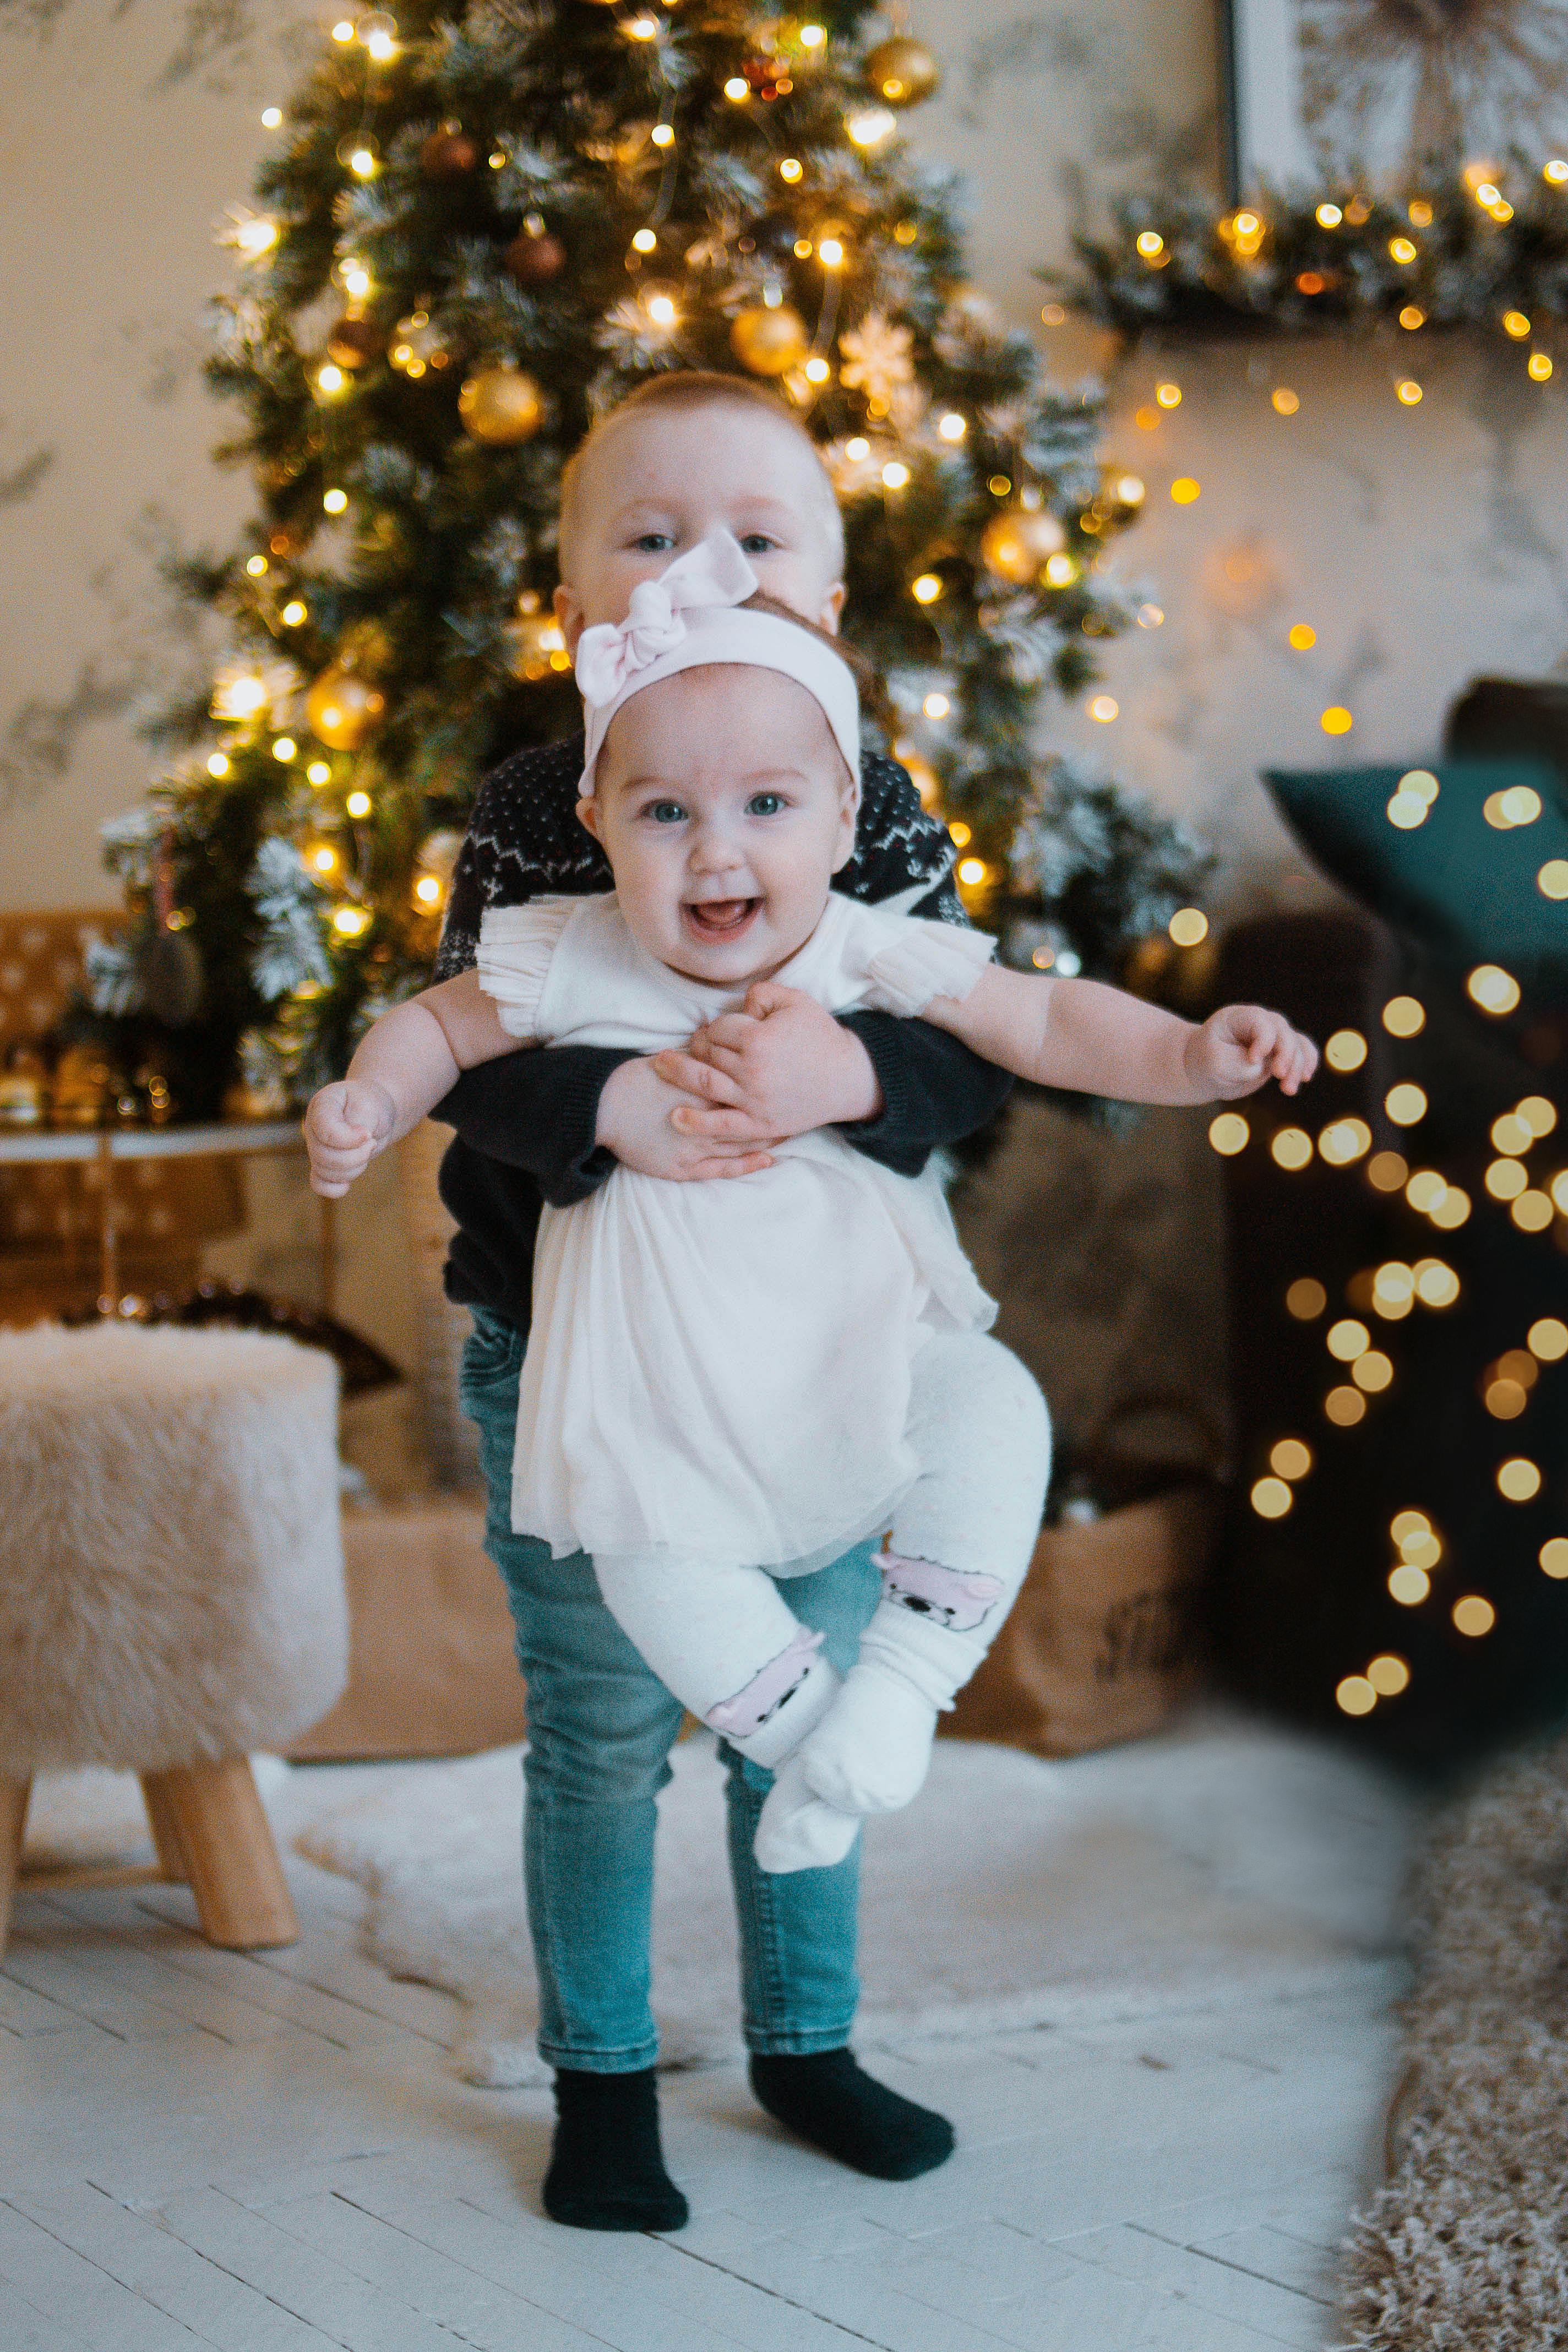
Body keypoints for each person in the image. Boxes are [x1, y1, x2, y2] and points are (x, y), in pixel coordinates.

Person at [307, 526, 1317, 2231]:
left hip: (843, 1375)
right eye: (668, 813)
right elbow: (442, 1025)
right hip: (643, 1399)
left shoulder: (860, 948)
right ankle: (606, 2081)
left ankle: (871, 1790)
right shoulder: (567, 949)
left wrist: (1197, 1060)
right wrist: (366, 1098)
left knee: (987, 1412)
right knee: (635, 1639)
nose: (719, 851)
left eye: (769, 806)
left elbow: (1052, 1026)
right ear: (602, 827)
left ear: (844, 824)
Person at [335, 372, 1021, 2235]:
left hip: (810, 1359)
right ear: (577, 602)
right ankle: (605, 2074)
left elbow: (973, 1045)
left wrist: (857, 1082)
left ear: (832, 594)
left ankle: (807, 2041)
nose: (703, 569)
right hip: (578, 1363)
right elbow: (468, 1050)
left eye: (755, 538)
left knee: (795, 1692)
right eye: (652, 540)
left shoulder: (871, 808)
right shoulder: (543, 807)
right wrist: (608, 1109)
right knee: (606, 1728)